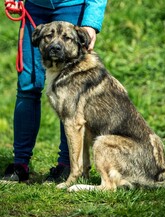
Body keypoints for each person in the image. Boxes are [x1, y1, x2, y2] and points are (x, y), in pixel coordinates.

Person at [3, 0, 107, 183]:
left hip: (72, 6)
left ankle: (66, 165)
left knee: (70, 94)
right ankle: (20, 164)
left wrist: (91, 22)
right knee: (28, 86)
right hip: (34, 7)